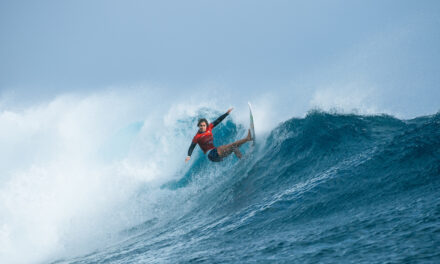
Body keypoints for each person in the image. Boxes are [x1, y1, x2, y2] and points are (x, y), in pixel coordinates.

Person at [185, 108, 252, 163]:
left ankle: (243, 160)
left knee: (233, 147)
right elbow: (191, 147)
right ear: (198, 126)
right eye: (201, 126)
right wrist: (188, 156)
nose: (202, 127)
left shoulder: (209, 127)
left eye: (204, 125)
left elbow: (218, 120)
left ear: (206, 125)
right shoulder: (197, 136)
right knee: (232, 145)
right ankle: (248, 138)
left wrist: (226, 113)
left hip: (216, 154)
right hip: (211, 154)